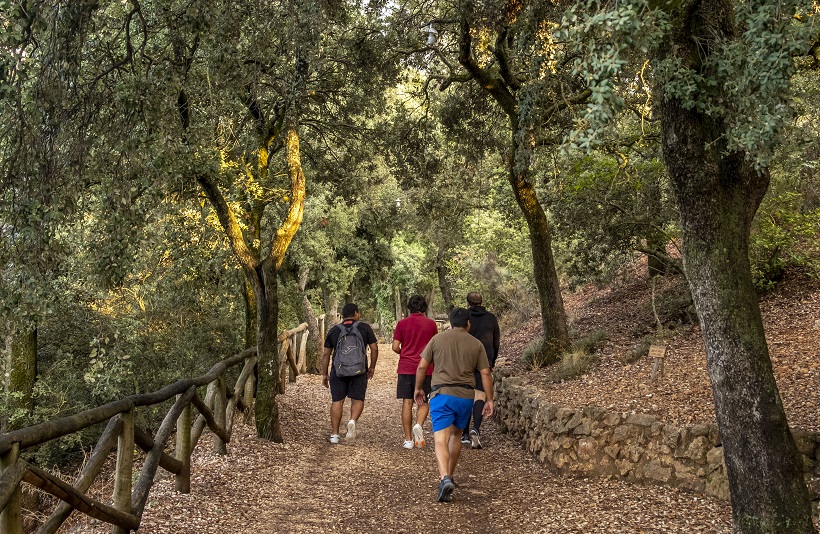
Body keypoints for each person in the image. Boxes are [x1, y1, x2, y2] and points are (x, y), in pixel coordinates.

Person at [414, 307, 493, 502]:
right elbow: (485, 373)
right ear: (468, 324)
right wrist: (489, 399)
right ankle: (450, 474)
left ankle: (444, 478)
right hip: (465, 395)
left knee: (440, 437)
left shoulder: (437, 340)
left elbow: (422, 366)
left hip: (442, 393)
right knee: (457, 434)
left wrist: (418, 388)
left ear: (450, 322)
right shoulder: (476, 344)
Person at [321, 303, 378, 444]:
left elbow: (326, 354)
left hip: (338, 371)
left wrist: (324, 374)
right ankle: (352, 421)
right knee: (358, 399)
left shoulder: (334, 330)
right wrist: (371, 367)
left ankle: (334, 435)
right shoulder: (364, 328)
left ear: (343, 315)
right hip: (359, 370)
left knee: (337, 401)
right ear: (356, 313)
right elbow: (374, 348)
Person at [392, 295, 438, 449]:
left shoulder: (402, 324)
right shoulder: (431, 324)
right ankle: (418, 425)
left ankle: (408, 440)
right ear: (424, 307)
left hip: (406, 366)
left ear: (409, 307)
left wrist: (404, 352)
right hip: (426, 368)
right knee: (423, 401)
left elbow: (394, 346)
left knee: (407, 401)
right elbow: (435, 347)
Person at [461, 291, 500, 449]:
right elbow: (496, 340)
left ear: (468, 303)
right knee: (480, 394)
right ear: (481, 302)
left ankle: (463, 433)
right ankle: (475, 429)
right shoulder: (491, 318)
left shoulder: (464, 316)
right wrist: (493, 359)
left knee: (465, 393)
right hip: (485, 358)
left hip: (466, 358)